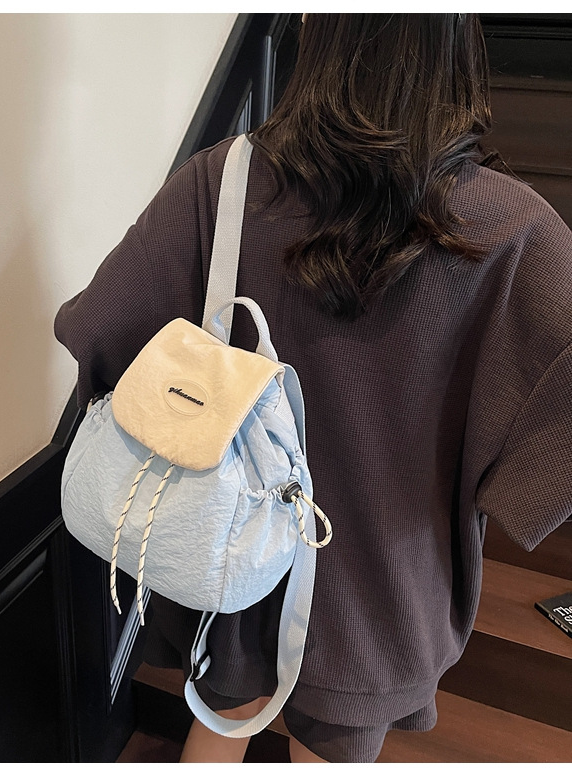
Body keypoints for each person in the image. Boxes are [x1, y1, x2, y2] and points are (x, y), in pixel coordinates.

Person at [53, 13, 572, 763]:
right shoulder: (513, 230)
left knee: (221, 713)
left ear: (312, 23)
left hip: (232, 545)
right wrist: (509, 486)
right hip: (381, 587)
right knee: (332, 750)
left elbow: (100, 327)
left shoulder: (225, 181)